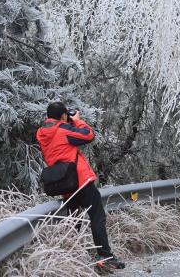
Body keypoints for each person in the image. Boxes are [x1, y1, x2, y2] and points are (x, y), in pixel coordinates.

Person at [36, 101, 125, 270]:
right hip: (80, 179)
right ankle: (105, 256)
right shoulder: (64, 130)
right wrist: (77, 120)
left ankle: (69, 256)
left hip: (64, 183)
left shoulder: (42, 132)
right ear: (63, 116)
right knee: (97, 216)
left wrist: (66, 121)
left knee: (73, 219)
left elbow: (59, 137)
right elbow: (88, 135)